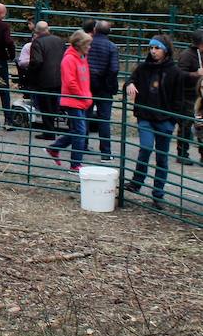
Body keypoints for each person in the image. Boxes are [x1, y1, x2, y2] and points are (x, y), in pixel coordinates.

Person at [126, 35, 187, 208]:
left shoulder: (175, 72)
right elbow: (131, 79)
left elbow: (179, 100)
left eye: (156, 48)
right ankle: (136, 183)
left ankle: (158, 195)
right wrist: (129, 83)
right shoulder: (143, 68)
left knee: (162, 158)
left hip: (164, 121)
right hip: (145, 117)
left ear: (165, 50)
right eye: (151, 48)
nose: (153, 51)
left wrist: (172, 120)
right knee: (145, 148)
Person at [46, 29, 93, 171]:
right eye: (87, 45)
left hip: (81, 100)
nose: (89, 48)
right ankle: (75, 164)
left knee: (79, 131)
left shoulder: (82, 58)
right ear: (79, 45)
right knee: (80, 131)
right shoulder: (69, 59)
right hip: (73, 100)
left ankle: (55, 148)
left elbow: (83, 80)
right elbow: (70, 82)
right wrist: (83, 95)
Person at [87, 20, 121, 160]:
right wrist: (109, 83)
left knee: (84, 116)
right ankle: (105, 153)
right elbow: (114, 69)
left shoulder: (87, 44)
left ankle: (82, 145)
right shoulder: (111, 47)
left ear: (95, 29)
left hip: (87, 85)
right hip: (104, 88)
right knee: (104, 120)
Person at [27, 21, 67, 139]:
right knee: (54, 104)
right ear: (48, 28)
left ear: (37, 31)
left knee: (45, 106)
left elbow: (37, 61)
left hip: (44, 79)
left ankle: (49, 132)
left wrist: (31, 73)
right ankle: (52, 128)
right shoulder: (59, 41)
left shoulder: (37, 42)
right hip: (59, 77)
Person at [176, 30, 203, 167]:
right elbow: (179, 74)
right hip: (187, 96)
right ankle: (182, 154)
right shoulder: (187, 55)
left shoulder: (201, 54)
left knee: (201, 126)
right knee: (186, 125)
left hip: (200, 96)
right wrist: (195, 74)